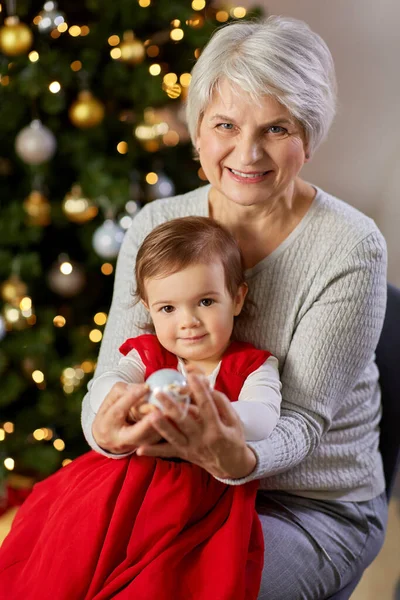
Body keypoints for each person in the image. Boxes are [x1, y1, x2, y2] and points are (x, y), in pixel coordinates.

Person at [80, 15, 388, 600]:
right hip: (170, 485)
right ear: (198, 131)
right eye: (225, 124)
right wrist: (107, 430)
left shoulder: (351, 246)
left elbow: (300, 424)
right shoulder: (157, 226)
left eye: (276, 128)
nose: (247, 153)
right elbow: (111, 380)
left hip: (305, 506)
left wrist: (235, 456)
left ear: (309, 136)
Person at [0, 217, 282, 600]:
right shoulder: (147, 353)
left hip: (204, 496)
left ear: (237, 298)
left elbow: (264, 417)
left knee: (165, 582)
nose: (188, 322)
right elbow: (104, 386)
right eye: (168, 308)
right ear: (149, 309)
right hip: (121, 482)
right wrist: (131, 404)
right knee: (67, 557)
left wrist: (213, 413)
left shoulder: (252, 366)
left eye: (205, 301)